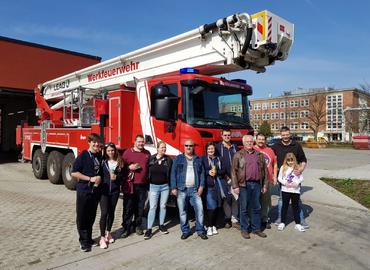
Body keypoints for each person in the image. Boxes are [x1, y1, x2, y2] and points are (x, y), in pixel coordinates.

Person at [231, 135, 268, 239]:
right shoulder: (238, 155)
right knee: (244, 209)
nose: (249, 143)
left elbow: (265, 171)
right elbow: (233, 171)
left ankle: (256, 229)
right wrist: (235, 186)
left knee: (257, 207)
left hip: (256, 184)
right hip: (243, 185)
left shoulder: (259, 155)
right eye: (247, 141)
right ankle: (245, 229)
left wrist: (264, 185)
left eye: (251, 141)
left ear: (253, 142)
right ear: (243, 143)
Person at [271, 126, 308, 229]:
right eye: (283, 135)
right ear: (280, 135)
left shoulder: (296, 145)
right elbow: (270, 158)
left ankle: (300, 220)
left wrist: (300, 169)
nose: (285, 136)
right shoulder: (275, 146)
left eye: (287, 134)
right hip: (283, 179)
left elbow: (303, 160)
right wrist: (274, 175)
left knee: (297, 201)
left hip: (295, 179)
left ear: (290, 134)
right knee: (282, 199)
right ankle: (280, 218)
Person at [171, 139, 208, 240]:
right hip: (181, 189)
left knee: (200, 210)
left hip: (194, 189)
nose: (188, 147)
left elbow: (202, 174)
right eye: (186, 145)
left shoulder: (198, 159)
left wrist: (201, 186)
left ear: (193, 147)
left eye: (190, 146)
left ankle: (200, 230)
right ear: (184, 147)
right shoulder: (178, 159)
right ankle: (185, 231)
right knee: (182, 211)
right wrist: (173, 187)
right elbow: (173, 173)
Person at [71, 133, 102, 252]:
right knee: (82, 216)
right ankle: (83, 242)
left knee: (91, 216)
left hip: (95, 191)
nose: (95, 144)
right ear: (89, 142)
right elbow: (74, 173)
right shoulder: (83, 155)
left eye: (97, 142)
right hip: (84, 190)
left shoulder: (98, 156)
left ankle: (89, 238)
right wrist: (90, 179)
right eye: (93, 142)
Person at [121, 135, 150, 237]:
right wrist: (129, 167)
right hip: (130, 185)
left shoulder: (147, 153)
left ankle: (137, 226)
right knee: (128, 207)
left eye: (142, 142)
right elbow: (120, 166)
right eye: (139, 142)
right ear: (134, 142)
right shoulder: (128, 153)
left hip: (142, 186)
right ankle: (126, 228)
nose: (141, 143)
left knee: (140, 207)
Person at [144, 141, 173, 240]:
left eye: (165, 147)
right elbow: (146, 171)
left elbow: (171, 174)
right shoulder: (151, 158)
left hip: (165, 187)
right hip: (153, 187)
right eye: (162, 147)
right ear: (157, 148)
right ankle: (149, 229)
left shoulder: (168, 160)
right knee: (152, 207)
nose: (163, 149)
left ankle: (161, 225)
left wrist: (171, 187)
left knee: (163, 206)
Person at [98, 142, 124, 249]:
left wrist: (117, 177)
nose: (110, 152)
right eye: (108, 150)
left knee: (111, 212)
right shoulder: (102, 161)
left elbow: (123, 176)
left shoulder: (119, 162)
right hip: (103, 191)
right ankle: (102, 237)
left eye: (112, 150)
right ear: (106, 151)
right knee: (104, 213)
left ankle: (108, 233)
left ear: (115, 151)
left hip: (114, 191)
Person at [201, 142, 228, 236]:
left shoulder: (219, 159)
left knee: (217, 207)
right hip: (209, 187)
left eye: (212, 149)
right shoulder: (203, 159)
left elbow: (224, 170)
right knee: (211, 207)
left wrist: (217, 172)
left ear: (214, 149)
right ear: (206, 150)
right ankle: (209, 226)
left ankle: (214, 226)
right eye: (209, 149)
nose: (210, 150)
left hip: (218, 186)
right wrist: (208, 172)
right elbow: (200, 171)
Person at [215, 129, 239, 229]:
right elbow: (215, 162)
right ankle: (227, 218)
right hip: (223, 177)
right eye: (225, 135)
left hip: (235, 177)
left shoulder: (234, 147)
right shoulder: (217, 147)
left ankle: (234, 219)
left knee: (235, 198)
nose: (227, 137)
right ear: (221, 136)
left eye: (229, 135)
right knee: (226, 199)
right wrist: (224, 175)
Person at [253, 133, 278, 229]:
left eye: (263, 139)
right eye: (259, 139)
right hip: (255, 180)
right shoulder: (252, 149)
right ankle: (255, 219)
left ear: (265, 140)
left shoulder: (270, 150)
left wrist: (275, 176)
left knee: (266, 201)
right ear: (256, 139)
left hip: (267, 181)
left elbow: (275, 164)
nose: (261, 141)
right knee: (255, 201)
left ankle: (264, 219)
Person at [277, 153, 306, 232]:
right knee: (284, 206)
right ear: (286, 161)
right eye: (288, 160)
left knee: (295, 207)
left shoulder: (297, 167)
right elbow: (279, 178)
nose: (290, 162)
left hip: (295, 191)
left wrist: (296, 183)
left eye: (292, 160)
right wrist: (284, 183)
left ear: (294, 160)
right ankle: (282, 222)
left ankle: (298, 224)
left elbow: (301, 178)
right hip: (285, 190)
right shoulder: (283, 167)